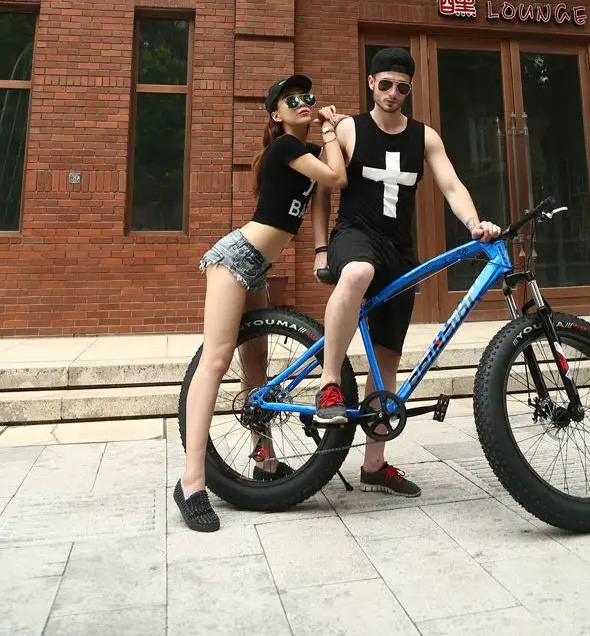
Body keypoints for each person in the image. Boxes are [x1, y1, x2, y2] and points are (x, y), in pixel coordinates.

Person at [310, 47, 502, 498]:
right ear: (371, 84)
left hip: (399, 251)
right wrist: (320, 249)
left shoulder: (424, 137)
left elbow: (451, 185)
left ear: (409, 90)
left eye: (401, 87)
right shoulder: (348, 129)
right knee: (356, 273)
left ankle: (374, 466)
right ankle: (329, 385)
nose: (393, 93)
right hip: (354, 235)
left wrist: (474, 223)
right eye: (385, 84)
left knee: (387, 364)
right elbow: (322, 190)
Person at [174, 74, 347, 532]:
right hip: (235, 259)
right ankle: (192, 481)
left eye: (308, 96)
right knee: (216, 360)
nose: (304, 102)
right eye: (292, 100)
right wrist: (331, 128)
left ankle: (264, 460)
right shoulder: (287, 146)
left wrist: (320, 249)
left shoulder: (305, 153)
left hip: (258, 266)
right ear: (276, 114)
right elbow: (338, 176)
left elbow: (327, 188)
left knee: (257, 371)